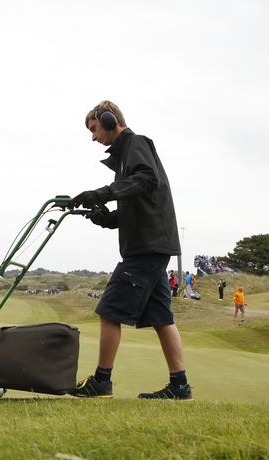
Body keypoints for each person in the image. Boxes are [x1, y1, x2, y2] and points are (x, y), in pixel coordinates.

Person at [67, 100, 191, 400]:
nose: (94, 138)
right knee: (162, 318)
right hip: (152, 246)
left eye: (95, 129)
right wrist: (105, 218)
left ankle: (102, 382)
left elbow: (147, 180)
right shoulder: (124, 158)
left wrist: (103, 193)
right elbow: (134, 203)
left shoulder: (136, 144)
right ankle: (180, 386)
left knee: (109, 311)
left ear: (110, 121)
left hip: (147, 249)